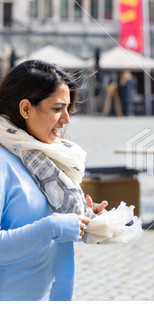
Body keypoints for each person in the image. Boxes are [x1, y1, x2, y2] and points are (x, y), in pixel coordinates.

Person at [0, 60, 108, 300]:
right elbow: (47, 230)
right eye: (58, 108)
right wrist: (53, 227)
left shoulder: (46, 158)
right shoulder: (3, 161)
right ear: (26, 109)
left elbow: (45, 228)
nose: (66, 119)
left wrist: (83, 217)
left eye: (68, 108)